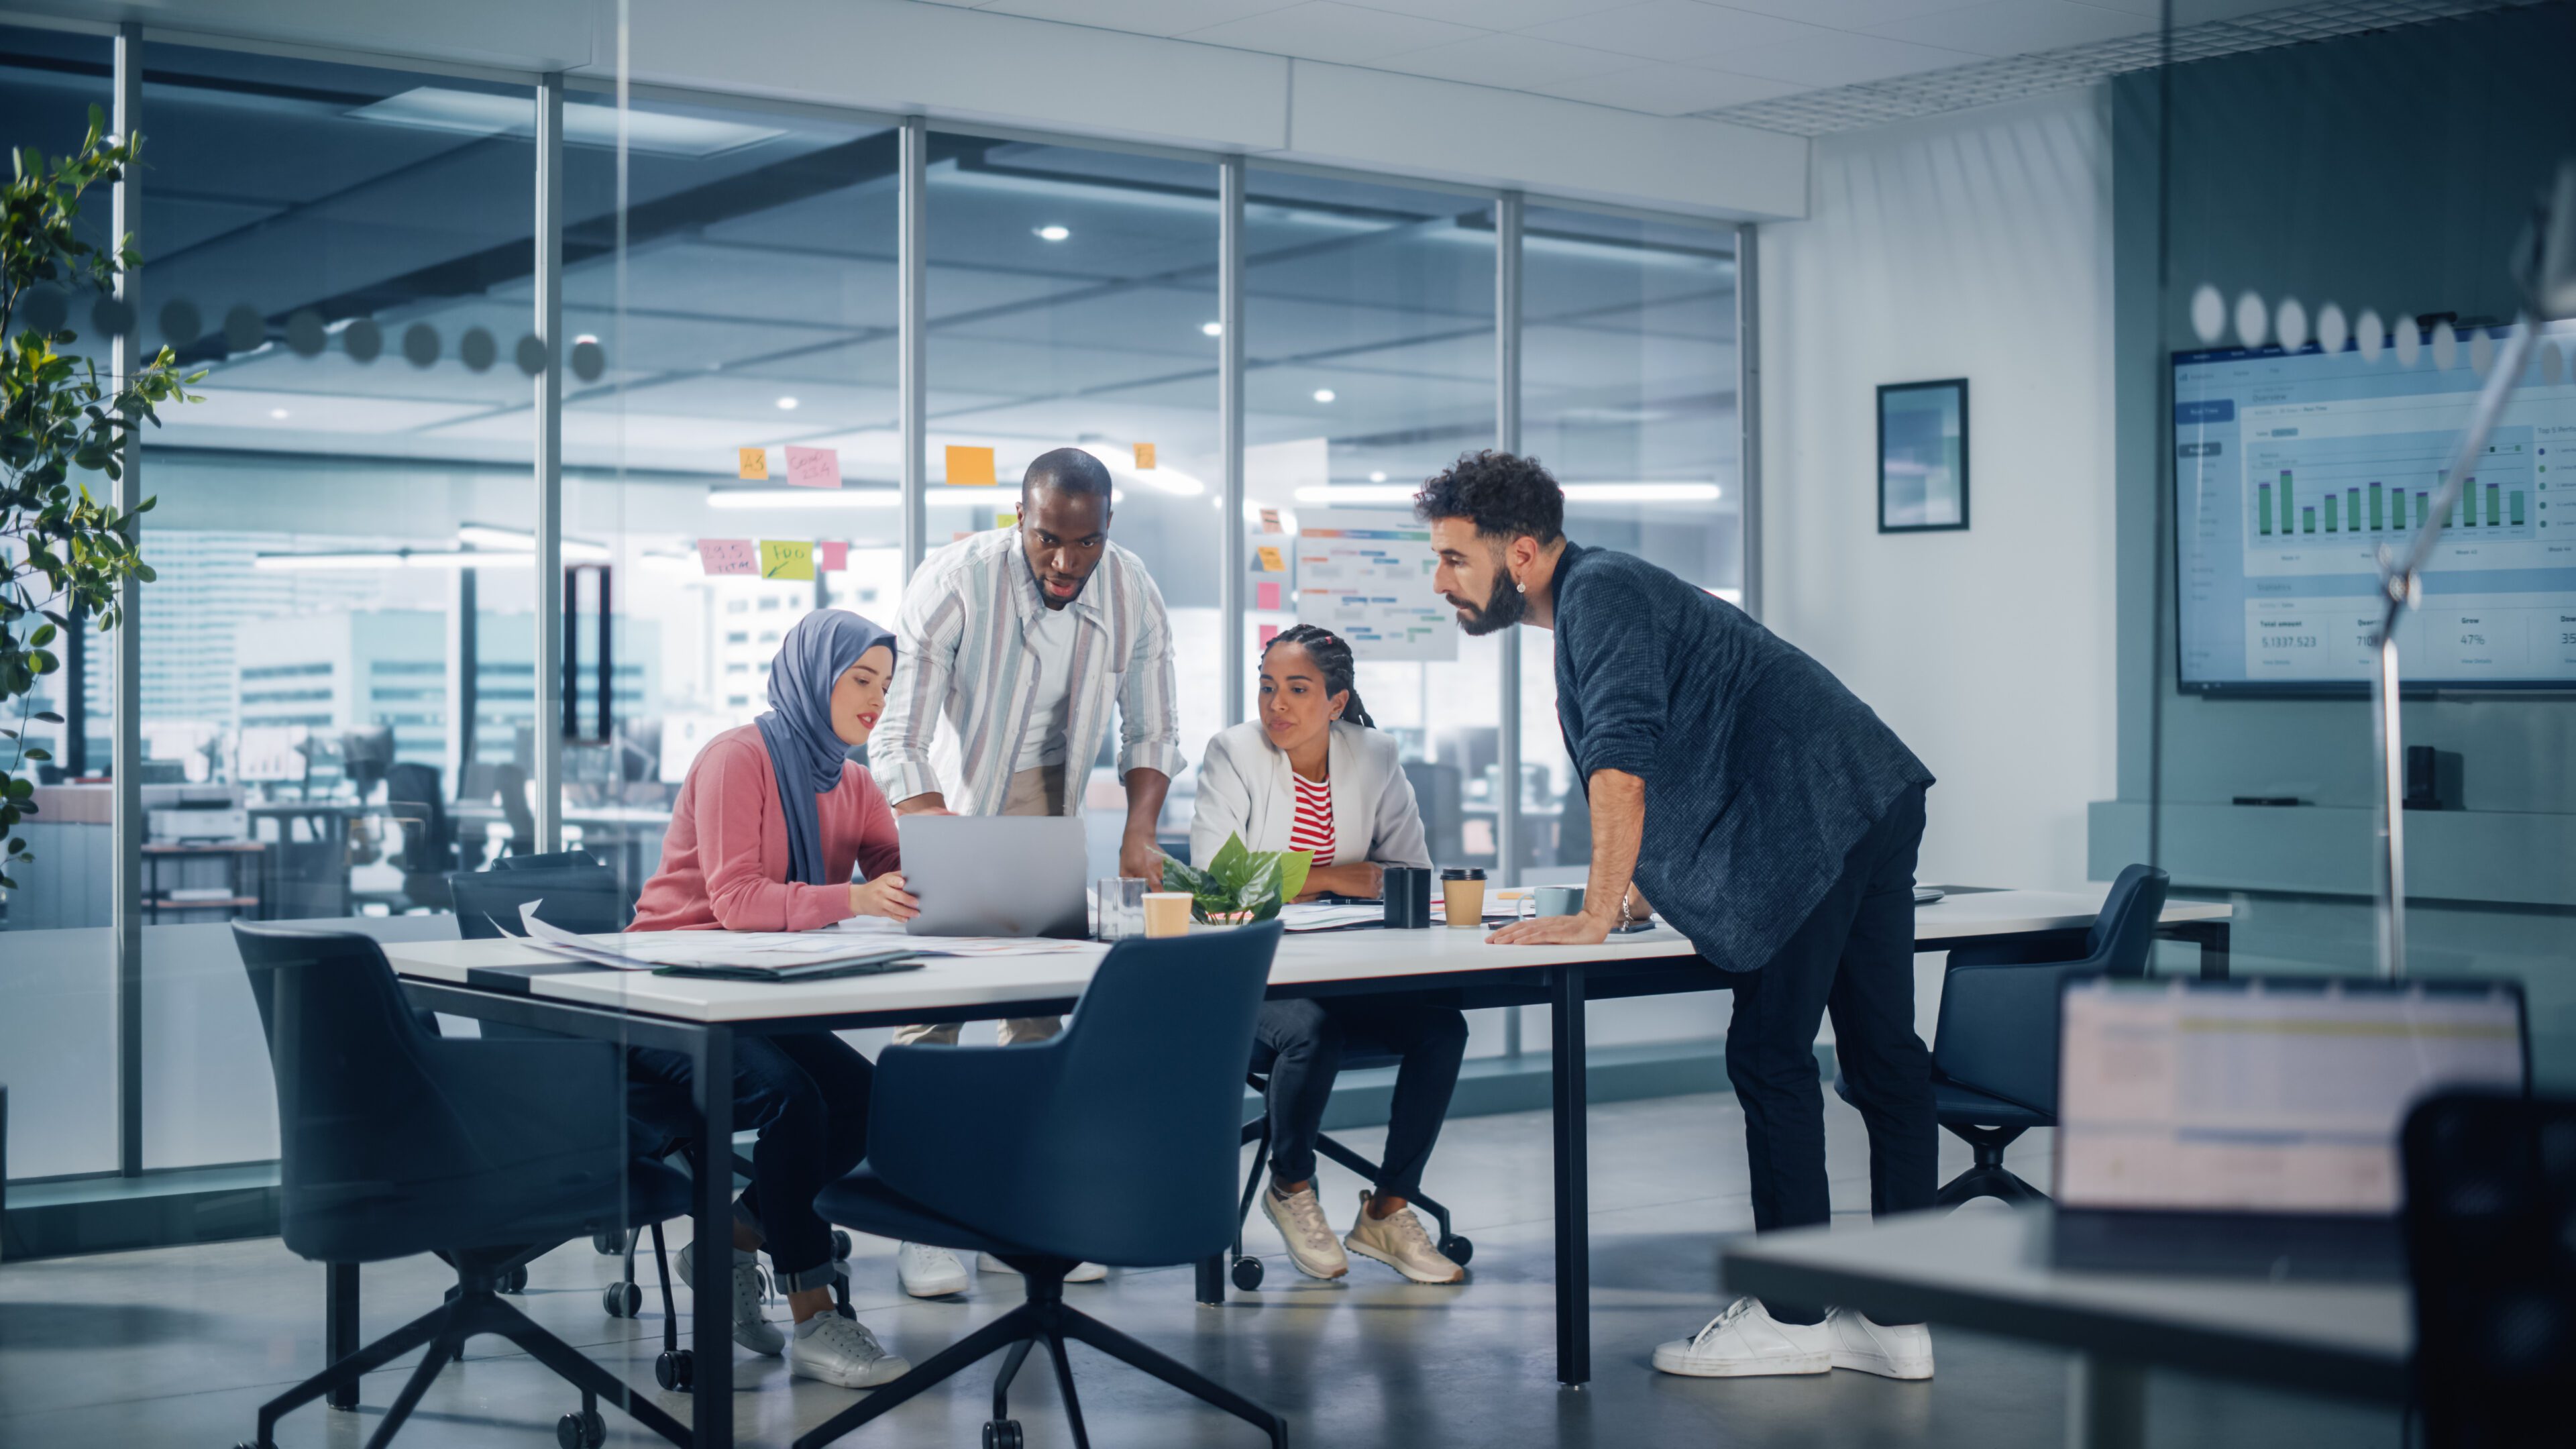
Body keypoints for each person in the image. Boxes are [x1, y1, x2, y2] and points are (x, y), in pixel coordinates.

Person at [1417, 451, 1941, 1382]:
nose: (1441, 580)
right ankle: (1898, 1321)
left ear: (1523, 553)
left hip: (1808, 815)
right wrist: (1639, 884)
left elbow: (1622, 762)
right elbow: (1700, 732)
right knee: (1883, 1054)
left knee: (1771, 1052)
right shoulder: (1606, 590)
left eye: (1456, 559)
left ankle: (1792, 1314)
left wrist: (1590, 912)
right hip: (1870, 790)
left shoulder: (1597, 595)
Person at [869, 445, 1183, 1295]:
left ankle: (1033, 1208)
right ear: (1021, 516)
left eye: (1085, 543)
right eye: (1050, 539)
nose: (1066, 561)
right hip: (953, 793)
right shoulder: (954, 582)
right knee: (937, 1009)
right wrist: (942, 841)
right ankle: (926, 1219)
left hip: (1058, 796)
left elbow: (1150, 730)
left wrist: (1140, 834)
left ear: (1107, 527)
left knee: (1041, 1011)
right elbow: (897, 738)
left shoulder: (1131, 588)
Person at [625, 608, 919, 1390]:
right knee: (795, 1100)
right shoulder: (737, 758)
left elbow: (906, 871)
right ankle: (817, 1313)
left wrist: (953, 860)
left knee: (868, 1099)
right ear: (813, 677)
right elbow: (736, 901)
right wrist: (856, 901)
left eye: (886, 687)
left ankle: (732, 1233)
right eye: (861, 680)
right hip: (666, 993)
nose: (875, 701)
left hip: (755, 995)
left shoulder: (850, 782)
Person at [1193, 625, 1468, 1285]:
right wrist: (1334, 876)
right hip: (1247, 974)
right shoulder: (1233, 752)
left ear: (1336, 701)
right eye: (1266, 688)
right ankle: (1291, 1184)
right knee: (1310, 1032)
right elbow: (1215, 884)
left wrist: (1294, 875)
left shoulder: (1373, 755)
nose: (1276, 706)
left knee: (1440, 1029)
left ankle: (1389, 1206)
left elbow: (1406, 871)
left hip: (1343, 965)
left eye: (1297, 689)